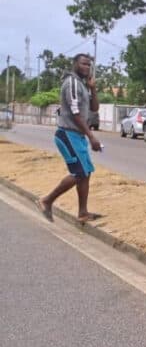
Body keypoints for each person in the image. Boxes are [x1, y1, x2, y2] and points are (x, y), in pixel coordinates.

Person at [36, 54, 102, 223]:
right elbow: (75, 114)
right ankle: (46, 200)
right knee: (79, 173)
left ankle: (83, 213)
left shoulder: (83, 85)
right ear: (75, 64)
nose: (87, 67)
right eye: (83, 64)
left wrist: (93, 88)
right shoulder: (71, 83)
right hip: (67, 134)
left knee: (86, 173)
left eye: (89, 65)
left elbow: (94, 108)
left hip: (77, 136)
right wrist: (92, 137)